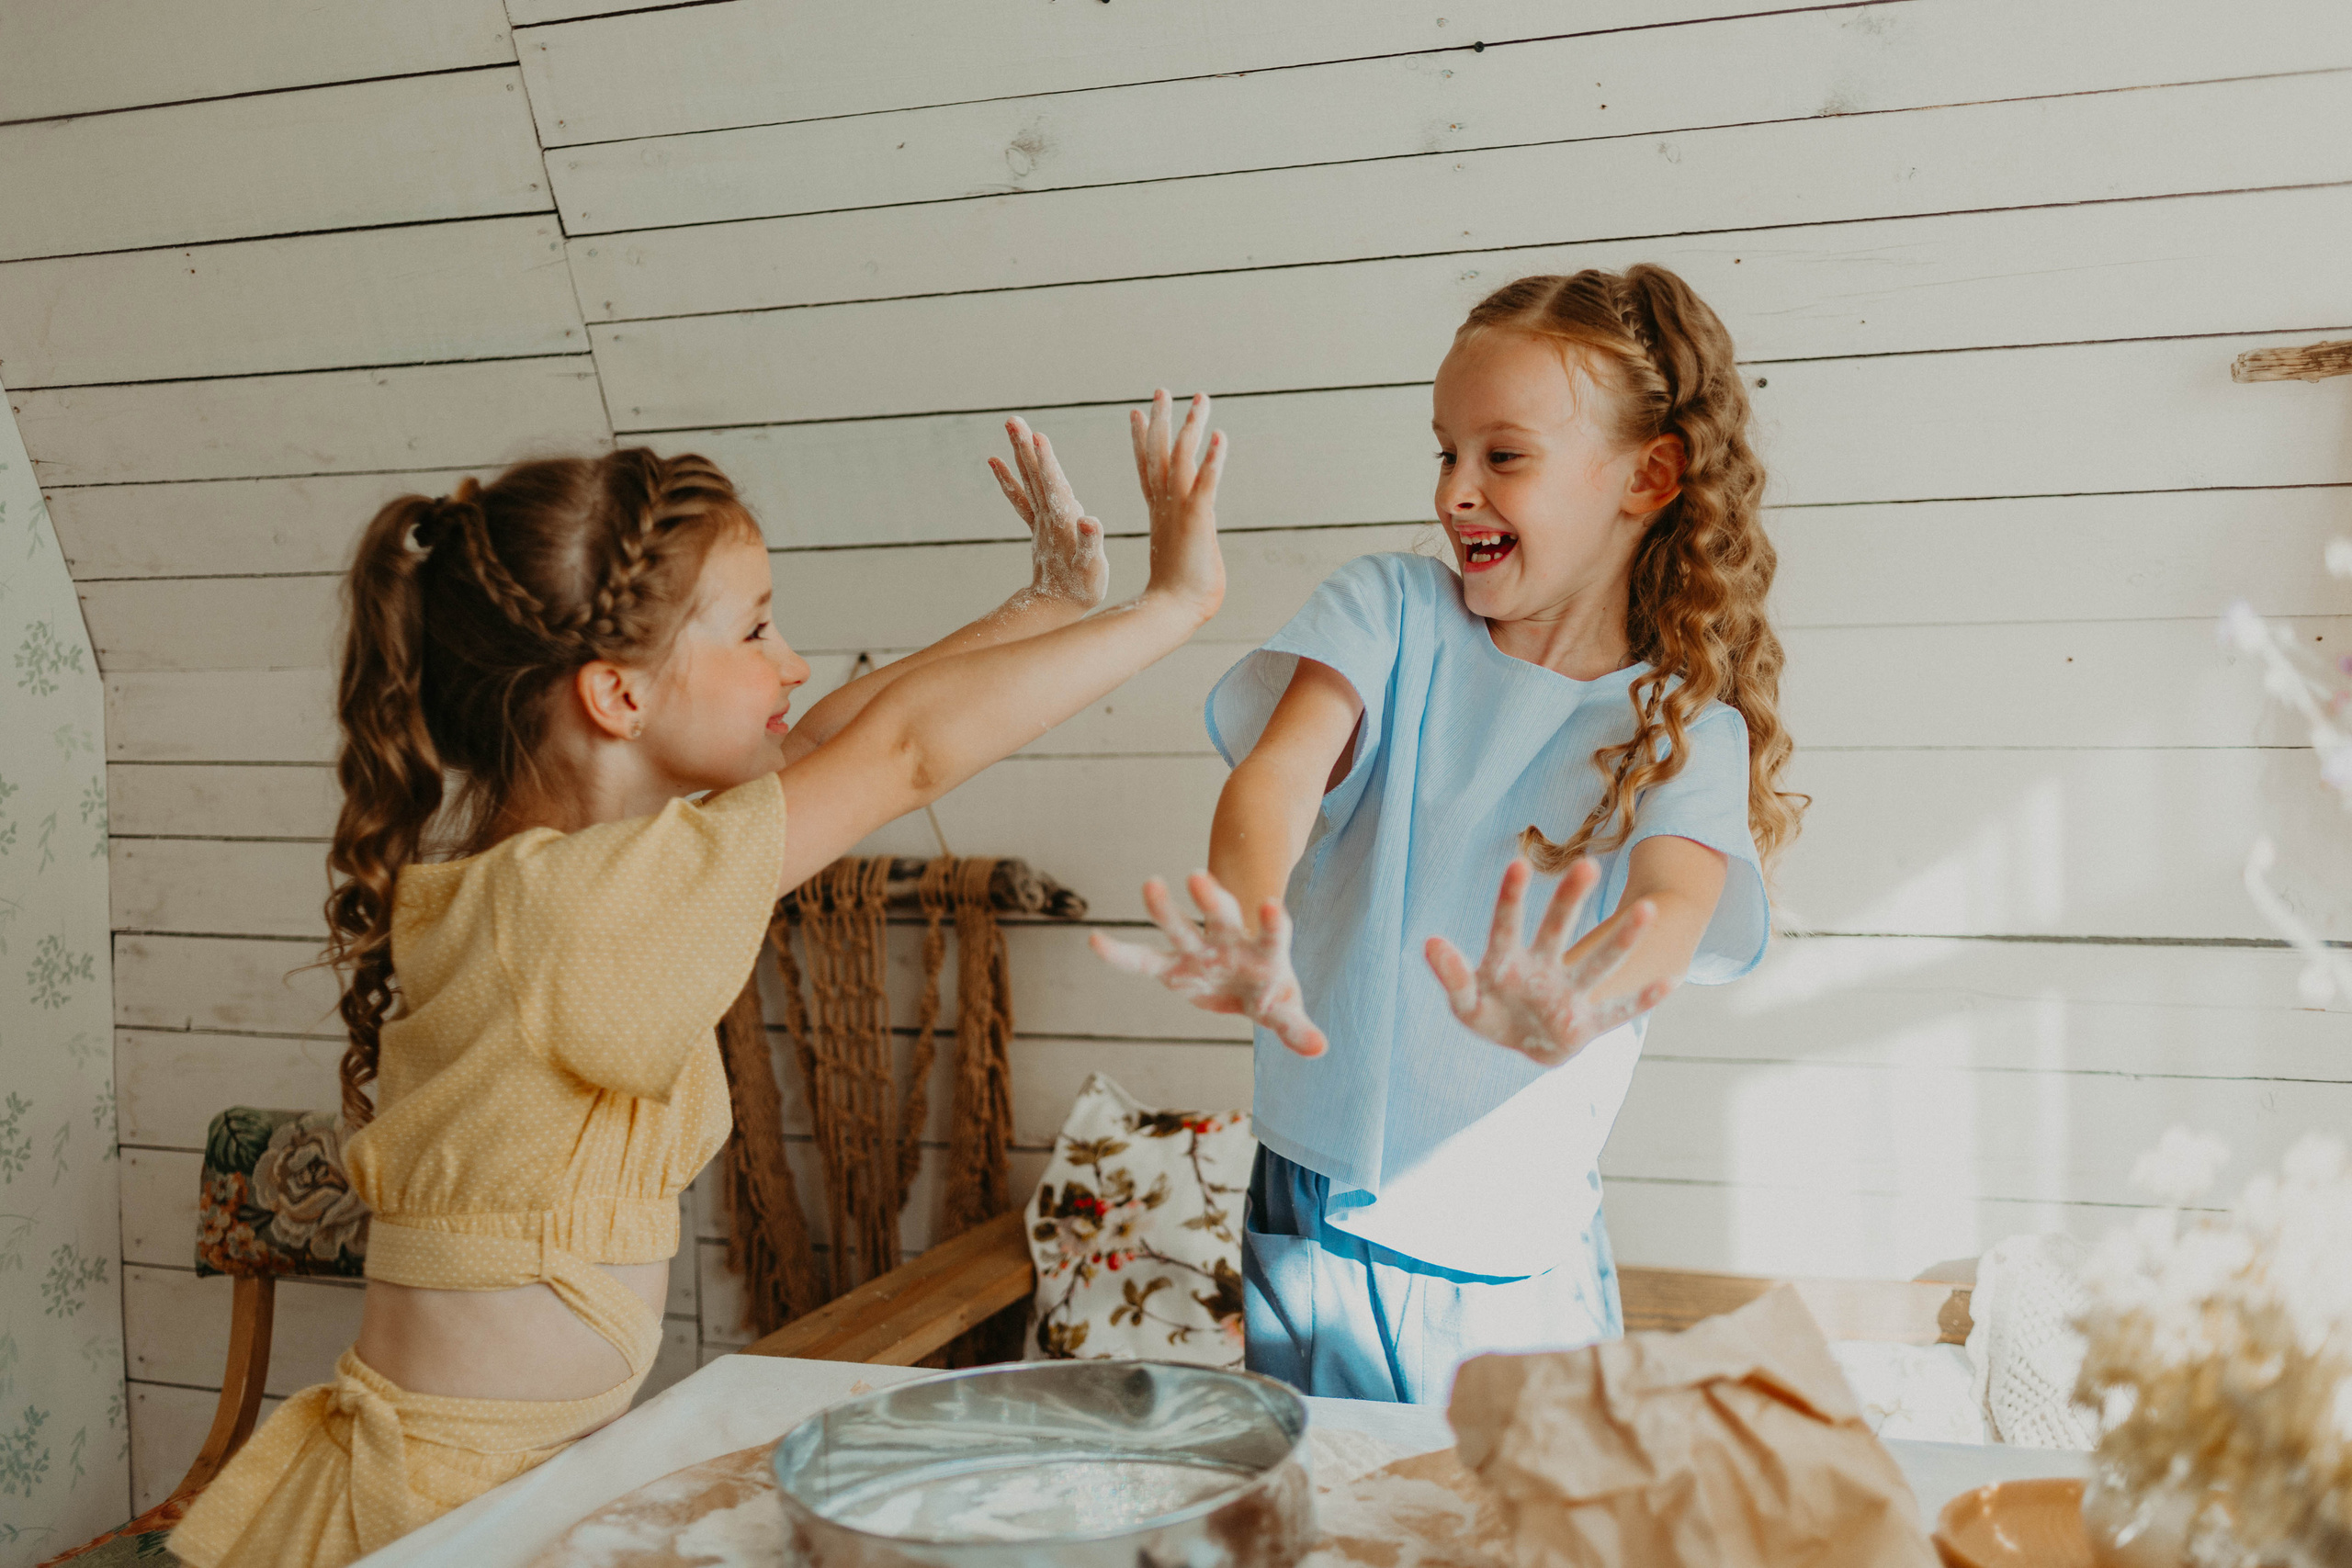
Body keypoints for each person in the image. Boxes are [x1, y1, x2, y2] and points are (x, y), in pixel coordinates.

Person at [170, 392, 1229, 1567]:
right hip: (447, 1511)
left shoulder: (563, 875)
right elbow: (902, 752)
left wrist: (1045, 606)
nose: (792, 660)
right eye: (756, 631)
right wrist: (1172, 606)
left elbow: (828, 742)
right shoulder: (592, 902)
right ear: (618, 696)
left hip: (487, 1477)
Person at [1094, 268, 1804, 1404]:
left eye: (1502, 456)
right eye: (1445, 452)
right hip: (1314, 1202)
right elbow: (1277, 777)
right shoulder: (1391, 613)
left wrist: (1586, 994)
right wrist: (1247, 917)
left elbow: (1672, 908)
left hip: (1510, 1260)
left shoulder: (1679, 725)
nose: (1455, 492)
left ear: (1648, 476)